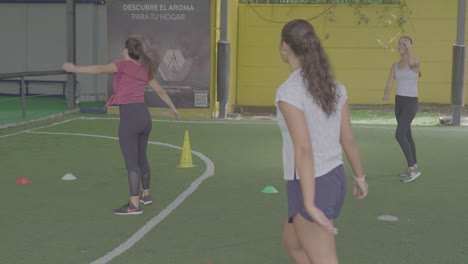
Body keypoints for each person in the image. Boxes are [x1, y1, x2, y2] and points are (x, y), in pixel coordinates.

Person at [276, 19, 368, 263]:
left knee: (324, 259)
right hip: (333, 178)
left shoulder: (289, 92)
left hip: (312, 183)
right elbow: (347, 138)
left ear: (284, 46)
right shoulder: (334, 87)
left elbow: (304, 148)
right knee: (293, 243)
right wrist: (360, 177)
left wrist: (309, 203)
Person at [63, 38, 180, 215]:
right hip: (144, 117)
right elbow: (160, 91)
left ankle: (134, 205)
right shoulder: (144, 69)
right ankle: (145, 195)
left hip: (130, 118)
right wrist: (173, 108)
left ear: (126, 51)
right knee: (142, 158)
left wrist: (75, 69)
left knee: (131, 163)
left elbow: (100, 70)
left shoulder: (123, 65)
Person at [382, 36, 421, 183]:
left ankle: (412, 169)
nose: (400, 45)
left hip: (411, 103)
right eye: (399, 43)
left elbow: (411, 61)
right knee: (407, 135)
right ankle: (415, 165)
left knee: (399, 134)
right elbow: (390, 82)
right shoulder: (395, 64)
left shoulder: (415, 62)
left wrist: (408, 45)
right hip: (399, 102)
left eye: (403, 43)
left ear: (410, 45)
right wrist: (386, 94)